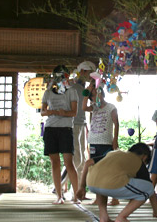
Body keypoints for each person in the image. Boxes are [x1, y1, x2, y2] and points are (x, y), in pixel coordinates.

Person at [76, 143, 157, 222]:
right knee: (147, 189)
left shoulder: (114, 153)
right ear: (144, 157)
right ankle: (122, 217)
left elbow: (88, 163)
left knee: (102, 180)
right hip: (111, 183)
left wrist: (82, 187)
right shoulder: (138, 162)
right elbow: (150, 190)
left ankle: (104, 217)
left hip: (92, 183)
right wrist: (156, 211)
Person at [41, 65, 80, 204]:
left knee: (69, 162)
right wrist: (52, 112)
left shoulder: (72, 91)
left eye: (63, 75)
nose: (60, 78)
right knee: (54, 162)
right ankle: (59, 196)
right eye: (58, 75)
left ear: (67, 76)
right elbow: (42, 111)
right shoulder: (48, 92)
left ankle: (76, 195)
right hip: (51, 128)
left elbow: (74, 113)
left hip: (65, 128)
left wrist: (64, 113)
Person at [59, 61, 95, 196]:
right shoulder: (72, 86)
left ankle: (78, 191)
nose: (90, 77)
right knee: (77, 159)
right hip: (72, 125)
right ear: (83, 72)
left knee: (81, 159)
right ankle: (66, 187)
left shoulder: (84, 88)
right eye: (89, 74)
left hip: (81, 124)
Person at [82, 82, 119, 205]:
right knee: (95, 170)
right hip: (93, 142)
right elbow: (83, 107)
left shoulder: (111, 107)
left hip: (106, 142)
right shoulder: (94, 107)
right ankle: (99, 198)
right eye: (92, 97)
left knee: (108, 170)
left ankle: (114, 198)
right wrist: (87, 92)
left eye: (95, 95)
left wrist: (115, 140)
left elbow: (116, 123)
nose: (94, 98)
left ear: (101, 94)